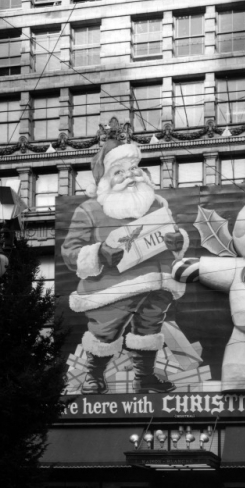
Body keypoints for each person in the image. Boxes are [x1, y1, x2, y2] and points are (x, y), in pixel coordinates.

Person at [60, 137, 189, 394]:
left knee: (150, 328)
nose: (130, 176)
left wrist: (178, 240)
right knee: (104, 331)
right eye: (119, 171)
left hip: (158, 283)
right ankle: (94, 376)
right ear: (106, 179)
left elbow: (172, 236)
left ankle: (145, 378)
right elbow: (70, 252)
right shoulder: (89, 210)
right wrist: (100, 253)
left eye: (133, 169)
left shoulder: (155, 203)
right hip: (111, 288)